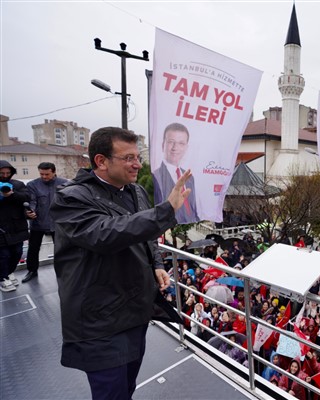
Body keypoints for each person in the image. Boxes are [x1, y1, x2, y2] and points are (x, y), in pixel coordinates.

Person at [50, 127, 193, 400]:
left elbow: (146, 235)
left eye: (137, 157)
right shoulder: (71, 198)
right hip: (100, 320)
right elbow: (106, 233)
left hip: (134, 311)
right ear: (101, 161)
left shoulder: (136, 191)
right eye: (128, 158)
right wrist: (166, 210)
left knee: (127, 387)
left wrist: (157, 264)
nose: (138, 164)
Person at [22, 162, 68, 283]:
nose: (44, 177)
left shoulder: (65, 184)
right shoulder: (33, 184)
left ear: (53, 172)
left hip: (58, 224)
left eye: (47, 174)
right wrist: (30, 212)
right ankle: (32, 271)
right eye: (41, 174)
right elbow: (32, 201)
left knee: (61, 250)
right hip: (38, 223)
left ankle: (64, 272)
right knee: (33, 249)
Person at [152, 122, 199, 223]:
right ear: (162, 145)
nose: (175, 148)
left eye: (181, 143)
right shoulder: (156, 177)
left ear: (186, 147)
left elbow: (192, 209)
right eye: (171, 142)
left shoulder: (190, 178)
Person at [0, 160, 30, 292]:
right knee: (3, 255)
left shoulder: (17, 184)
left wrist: (12, 194)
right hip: (1, 227)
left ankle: (9, 272)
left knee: (17, 252)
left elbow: (26, 197)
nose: (5, 175)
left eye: (8, 173)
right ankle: (3, 278)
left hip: (17, 225)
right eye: (2, 173)